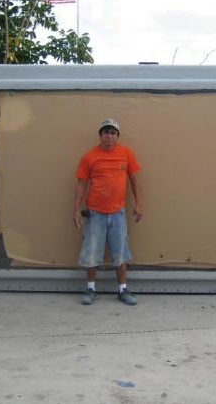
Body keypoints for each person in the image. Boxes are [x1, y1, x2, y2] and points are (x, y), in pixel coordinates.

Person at [73, 118, 142, 306]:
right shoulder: (89, 157)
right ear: (100, 135)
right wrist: (76, 209)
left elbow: (134, 179)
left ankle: (123, 290)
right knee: (92, 252)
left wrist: (138, 204)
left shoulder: (126, 153)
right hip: (95, 214)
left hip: (118, 213)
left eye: (113, 133)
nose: (109, 136)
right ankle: (90, 289)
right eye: (106, 132)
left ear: (117, 136)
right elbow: (81, 183)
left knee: (120, 253)